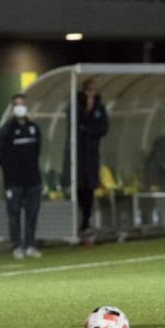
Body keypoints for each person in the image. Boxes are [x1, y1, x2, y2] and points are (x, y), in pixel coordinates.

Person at [0, 94, 43, 259]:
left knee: (32, 213)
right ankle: (17, 246)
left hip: (32, 179)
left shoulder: (33, 128)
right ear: (12, 109)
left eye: (23, 104)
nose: (21, 107)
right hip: (13, 181)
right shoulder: (6, 130)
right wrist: (10, 169)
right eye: (17, 105)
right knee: (14, 214)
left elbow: (37, 151)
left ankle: (30, 245)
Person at [63, 79, 109, 234]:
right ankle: (77, 221)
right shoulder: (76, 105)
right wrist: (87, 114)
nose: (91, 93)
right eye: (88, 90)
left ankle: (86, 221)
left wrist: (87, 130)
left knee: (90, 187)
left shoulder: (100, 107)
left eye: (93, 90)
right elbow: (76, 126)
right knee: (78, 187)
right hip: (78, 155)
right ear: (83, 90)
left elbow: (102, 128)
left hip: (92, 155)